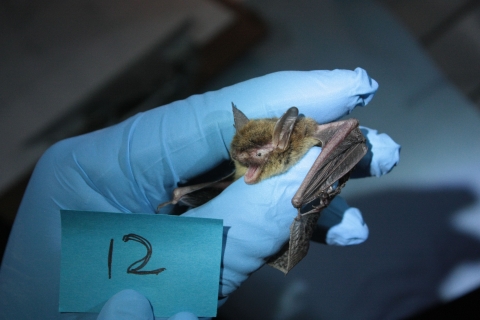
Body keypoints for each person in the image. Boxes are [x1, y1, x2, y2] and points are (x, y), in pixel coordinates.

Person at [0, 68, 400, 319]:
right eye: (244, 154)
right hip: (249, 170)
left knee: (291, 193)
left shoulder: (291, 148)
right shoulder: (243, 158)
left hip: (303, 155)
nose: (248, 158)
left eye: (256, 155)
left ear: (274, 146)